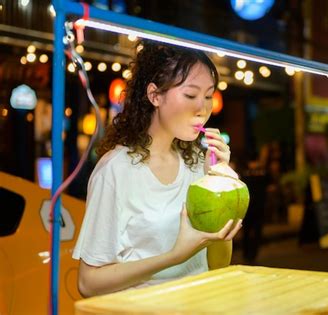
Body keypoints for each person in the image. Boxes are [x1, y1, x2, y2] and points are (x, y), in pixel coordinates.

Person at [72, 41, 242, 297]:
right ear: (154, 95)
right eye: (190, 95)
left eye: (208, 96)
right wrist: (174, 256)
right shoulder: (116, 170)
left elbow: (217, 264)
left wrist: (218, 181)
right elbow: (88, 283)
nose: (203, 108)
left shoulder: (199, 163)